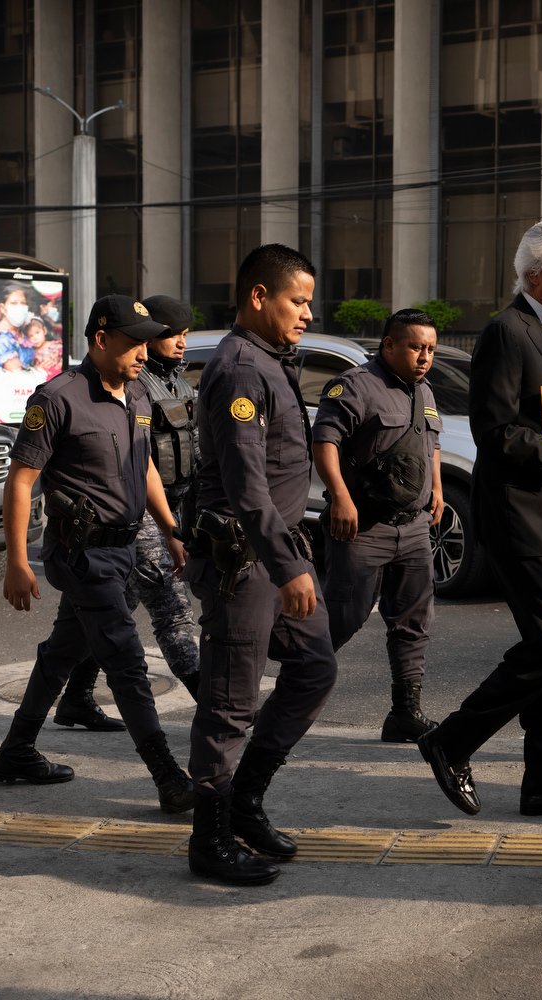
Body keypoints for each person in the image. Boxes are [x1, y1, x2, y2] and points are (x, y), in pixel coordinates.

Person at [416, 216, 542, 818]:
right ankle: (452, 741)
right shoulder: (507, 332)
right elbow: (495, 432)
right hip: (517, 518)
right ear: (535, 270)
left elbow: (540, 421)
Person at [0, 295, 195, 816]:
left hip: (124, 546)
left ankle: (16, 751)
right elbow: (22, 480)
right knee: (127, 662)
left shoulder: (137, 397)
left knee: (62, 652)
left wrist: (170, 529)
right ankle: (169, 776)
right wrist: (16, 561)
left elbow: (145, 465)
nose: (144, 354)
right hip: (81, 554)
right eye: (133, 343)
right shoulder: (57, 398)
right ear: (101, 340)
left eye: (147, 343)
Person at [184, 244, 338, 886]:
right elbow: (247, 484)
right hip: (244, 561)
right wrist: (287, 565)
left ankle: (244, 800)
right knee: (229, 703)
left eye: (308, 302)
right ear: (257, 297)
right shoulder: (243, 368)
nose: (306, 313)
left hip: (272, 554)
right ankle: (209, 838)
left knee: (313, 666)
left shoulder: (272, 362)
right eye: (296, 301)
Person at [52, 295, 203, 732]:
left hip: (168, 512)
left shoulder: (178, 384)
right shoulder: (130, 389)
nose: (180, 342)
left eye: (184, 334)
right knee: (171, 610)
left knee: (93, 621)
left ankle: (75, 698)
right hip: (130, 517)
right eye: (172, 334)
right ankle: (209, 700)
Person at [313, 308, 443, 743]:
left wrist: (437, 490)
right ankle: (292, 697)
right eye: (414, 347)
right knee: (341, 619)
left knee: (413, 622)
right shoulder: (356, 385)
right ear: (389, 345)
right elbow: (325, 441)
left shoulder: (424, 390)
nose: (423, 356)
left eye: (429, 349)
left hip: (414, 528)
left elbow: (431, 444)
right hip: (363, 528)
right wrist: (341, 498)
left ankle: (406, 712)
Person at [0, 284, 34, 372]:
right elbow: (17, 373)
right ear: (2, 308)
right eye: (14, 303)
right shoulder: (2, 340)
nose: (19, 307)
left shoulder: (19, 333)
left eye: (23, 303)